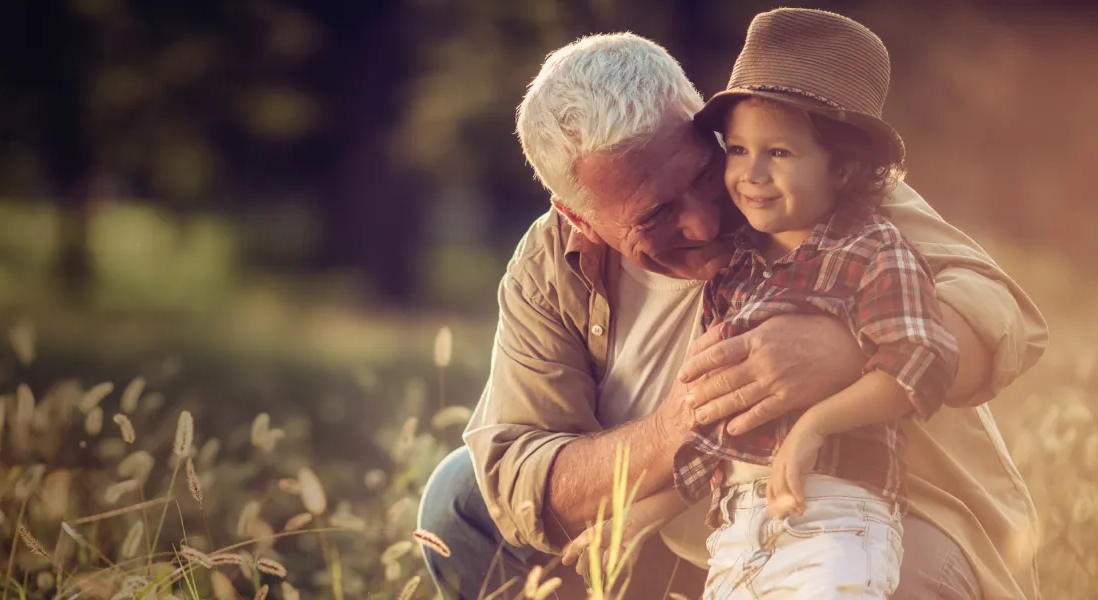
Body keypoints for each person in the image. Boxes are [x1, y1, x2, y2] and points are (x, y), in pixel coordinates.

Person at [416, 14, 1048, 600]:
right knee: (459, 499)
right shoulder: (549, 268)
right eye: (656, 214)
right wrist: (674, 430)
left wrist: (847, 349)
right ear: (578, 216)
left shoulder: (820, 195)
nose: (702, 220)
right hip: (704, 537)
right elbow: (514, 471)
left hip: (871, 513)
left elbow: (1002, 314)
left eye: (701, 170)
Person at [562, 9, 968, 598]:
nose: (750, 174)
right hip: (735, 531)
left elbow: (922, 359)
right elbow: (723, 432)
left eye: (778, 153)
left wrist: (814, 426)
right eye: (738, 150)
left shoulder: (874, 250)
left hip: (836, 517)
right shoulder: (738, 272)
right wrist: (649, 511)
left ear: (843, 165)